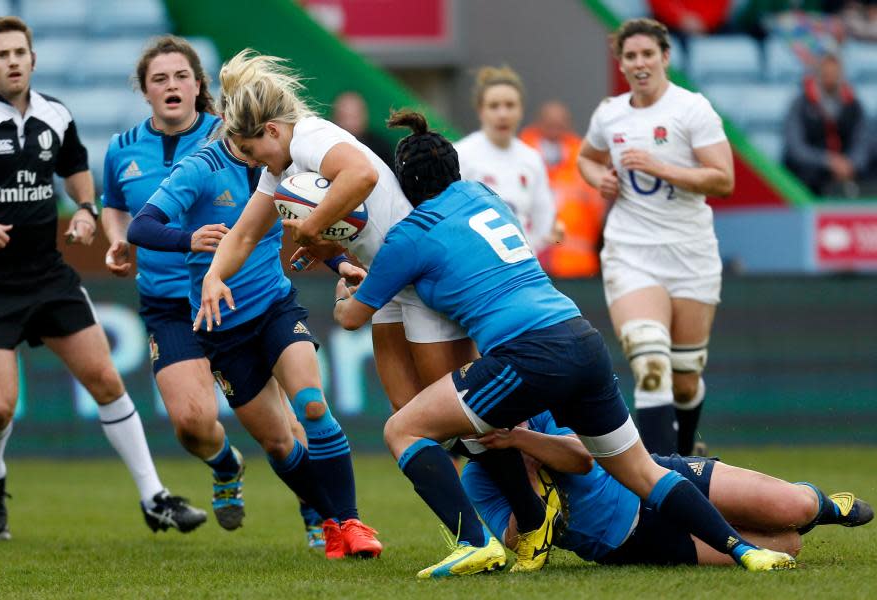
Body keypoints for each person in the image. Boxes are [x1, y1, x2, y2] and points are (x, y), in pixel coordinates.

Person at [331, 108, 795, 578]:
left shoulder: (409, 235)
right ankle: (744, 551)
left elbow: (353, 318)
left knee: (402, 428)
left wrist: (342, 277)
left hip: (527, 353)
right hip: (579, 335)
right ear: (454, 170)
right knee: (642, 472)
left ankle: (478, 540)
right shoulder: (483, 195)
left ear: (405, 184)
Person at [199, 49, 560, 568]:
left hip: (420, 274)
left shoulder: (311, 137)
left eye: (252, 149)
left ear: (273, 131)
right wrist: (214, 277)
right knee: (408, 415)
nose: (252, 161)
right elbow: (244, 233)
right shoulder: (280, 166)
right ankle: (477, 538)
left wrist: (311, 227)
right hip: (388, 281)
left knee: (458, 416)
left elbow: (361, 177)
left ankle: (529, 518)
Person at [0, 16, 205, 541]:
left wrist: (86, 207)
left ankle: (154, 497)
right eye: (2, 55)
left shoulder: (54, 115)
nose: (13, 61)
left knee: (107, 382)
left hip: (48, 274)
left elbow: (75, 166)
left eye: (20, 52)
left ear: (34, 59)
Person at [104, 36, 333, 549]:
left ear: (198, 85)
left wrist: (337, 257)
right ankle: (226, 465)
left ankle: (319, 511)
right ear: (144, 91)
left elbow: (289, 195)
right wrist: (115, 240)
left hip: (244, 296)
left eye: (181, 76)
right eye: (158, 78)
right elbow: (118, 208)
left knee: (288, 425)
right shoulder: (121, 149)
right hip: (169, 302)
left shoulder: (234, 136)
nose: (171, 85)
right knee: (190, 422)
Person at [127, 132, 383, 560]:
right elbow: (141, 226)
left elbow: (303, 221)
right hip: (223, 329)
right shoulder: (200, 168)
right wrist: (187, 239)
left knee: (312, 406)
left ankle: (348, 521)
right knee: (280, 444)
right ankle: (326, 515)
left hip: (275, 307)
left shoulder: (283, 161)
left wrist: (341, 263)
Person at [577, 18, 735, 457]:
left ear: (665, 57)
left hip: (690, 253)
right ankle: (661, 485)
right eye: (630, 56)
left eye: (648, 54)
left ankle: (686, 456)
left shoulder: (692, 109)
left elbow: (723, 180)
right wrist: (600, 179)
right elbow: (586, 158)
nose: (640, 63)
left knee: (685, 378)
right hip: (631, 251)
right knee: (649, 361)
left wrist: (659, 166)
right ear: (621, 63)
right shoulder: (611, 113)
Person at [462, 410, 874, 566]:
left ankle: (821, 504)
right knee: (786, 547)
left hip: (653, 477)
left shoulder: (536, 416)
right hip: (633, 542)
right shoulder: (476, 479)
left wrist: (523, 441)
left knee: (793, 507)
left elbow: (583, 457)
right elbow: (521, 540)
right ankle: (788, 521)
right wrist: (528, 481)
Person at [455, 66, 557, 257]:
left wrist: (527, 250)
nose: (503, 114)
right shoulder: (460, 154)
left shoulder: (532, 158)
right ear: (480, 110)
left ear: (521, 109)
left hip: (521, 268)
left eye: (510, 105)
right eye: (494, 106)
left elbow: (544, 217)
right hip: (475, 265)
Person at [519, 100, 607, 278]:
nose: (555, 128)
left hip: (577, 265)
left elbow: (600, 209)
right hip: (529, 266)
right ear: (539, 123)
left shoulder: (583, 160)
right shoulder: (520, 156)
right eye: (550, 122)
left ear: (568, 125)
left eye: (560, 123)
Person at [783, 52, 870, 197]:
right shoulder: (800, 104)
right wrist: (828, 162)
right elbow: (795, 147)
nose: (831, 77)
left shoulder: (854, 105)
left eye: (835, 73)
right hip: (813, 172)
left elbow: (863, 140)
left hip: (848, 170)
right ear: (818, 73)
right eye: (826, 72)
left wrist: (851, 164)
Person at [331, 91, 394, 168]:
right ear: (334, 118)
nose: (349, 123)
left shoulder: (380, 148)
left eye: (354, 117)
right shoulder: (327, 143)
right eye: (343, 117)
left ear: (364, 117)